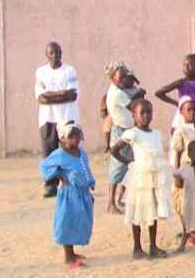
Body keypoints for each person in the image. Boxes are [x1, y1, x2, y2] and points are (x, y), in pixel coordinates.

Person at [111, 98, 171, 260]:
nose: (146, 116)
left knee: (153, 211)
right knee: (137, 210)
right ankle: (137, 247)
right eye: (142, 113)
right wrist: (129, 162)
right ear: (134, 115)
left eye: (149, 112)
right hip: (139, 178)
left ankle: (153, 245)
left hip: (155, 178)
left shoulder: (156, 134)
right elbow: (115, 150)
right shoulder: (132, 133)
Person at [39, 121, 95, 269]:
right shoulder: (59, 155)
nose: (75, 139)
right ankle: (68, 257)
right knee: (67, 223)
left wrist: (90, 184)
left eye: (77, 135)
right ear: (62, 138)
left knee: (79, 222)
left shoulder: (81, 153)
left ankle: (73, 252)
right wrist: (58, 177)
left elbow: (86, 169)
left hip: (83, 194)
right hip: (69, 195)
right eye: (71, 136)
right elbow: (44, 166)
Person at [34, 42, 79, 198]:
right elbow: (41, 98)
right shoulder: (40, 72)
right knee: (49, 153)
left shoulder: (69, 70)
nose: (55, 56)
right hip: (48, 119)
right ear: (47, 55)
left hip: (67, 117)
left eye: (58, 52)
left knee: (69, 151)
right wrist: (62, 94)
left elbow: (73, 95)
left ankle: (70, 183)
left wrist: (50, 94)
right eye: (52, 53)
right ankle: (50, 184)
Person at [106, 62, 145, 214]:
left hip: (129, 130)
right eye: (121, 76)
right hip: (121, 131)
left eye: (125, 76)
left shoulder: (121, 89)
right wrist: (140, 94)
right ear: (112, 77)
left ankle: (119, 198)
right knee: (117, 166)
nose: (124, 79)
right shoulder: (117, 93)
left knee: (130, 165)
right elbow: (133, 105)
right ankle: (111, 202)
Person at [155, 54, 195, 129]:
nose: (186, 67)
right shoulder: (181, 82)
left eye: (190, 64)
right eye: (184, 65)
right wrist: (176, 103)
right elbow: (159, 93)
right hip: (185, 111)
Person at [100, 69, 142, 152]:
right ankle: (107, 145)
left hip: (129, 122)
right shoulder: (118, 92)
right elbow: (131, 105)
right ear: (113, 78)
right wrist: (103, 109)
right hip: (120, 125)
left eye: (130, 79)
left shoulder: (133, 89)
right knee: (107, 125)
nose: (128, 81)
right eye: (123, 78)